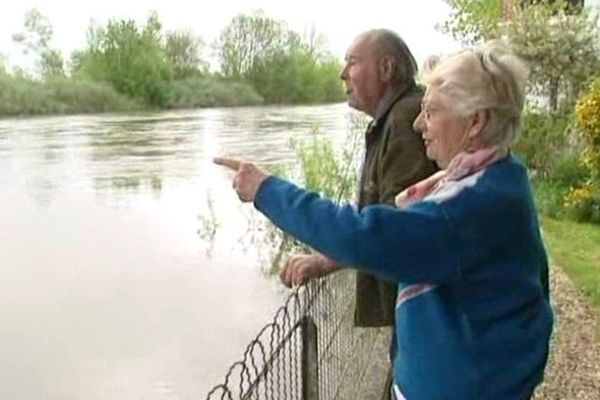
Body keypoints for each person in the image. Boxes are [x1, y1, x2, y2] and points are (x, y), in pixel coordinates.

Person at [215, 41, 553, 399]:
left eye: (433, 111)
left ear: (476, 121)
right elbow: (402, 238)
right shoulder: (500, 177)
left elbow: (369, 236)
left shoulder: (469, 207)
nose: (420, 123)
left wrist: (266, 190)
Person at [282, 27, 435, 348]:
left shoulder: (405, 120)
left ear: (387, 69)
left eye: (352, 63)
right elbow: (387, 221)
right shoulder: (398, 115)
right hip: (421, 303)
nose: (342, 74)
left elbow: (393, 227)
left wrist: (326, 259)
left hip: (425, 308)